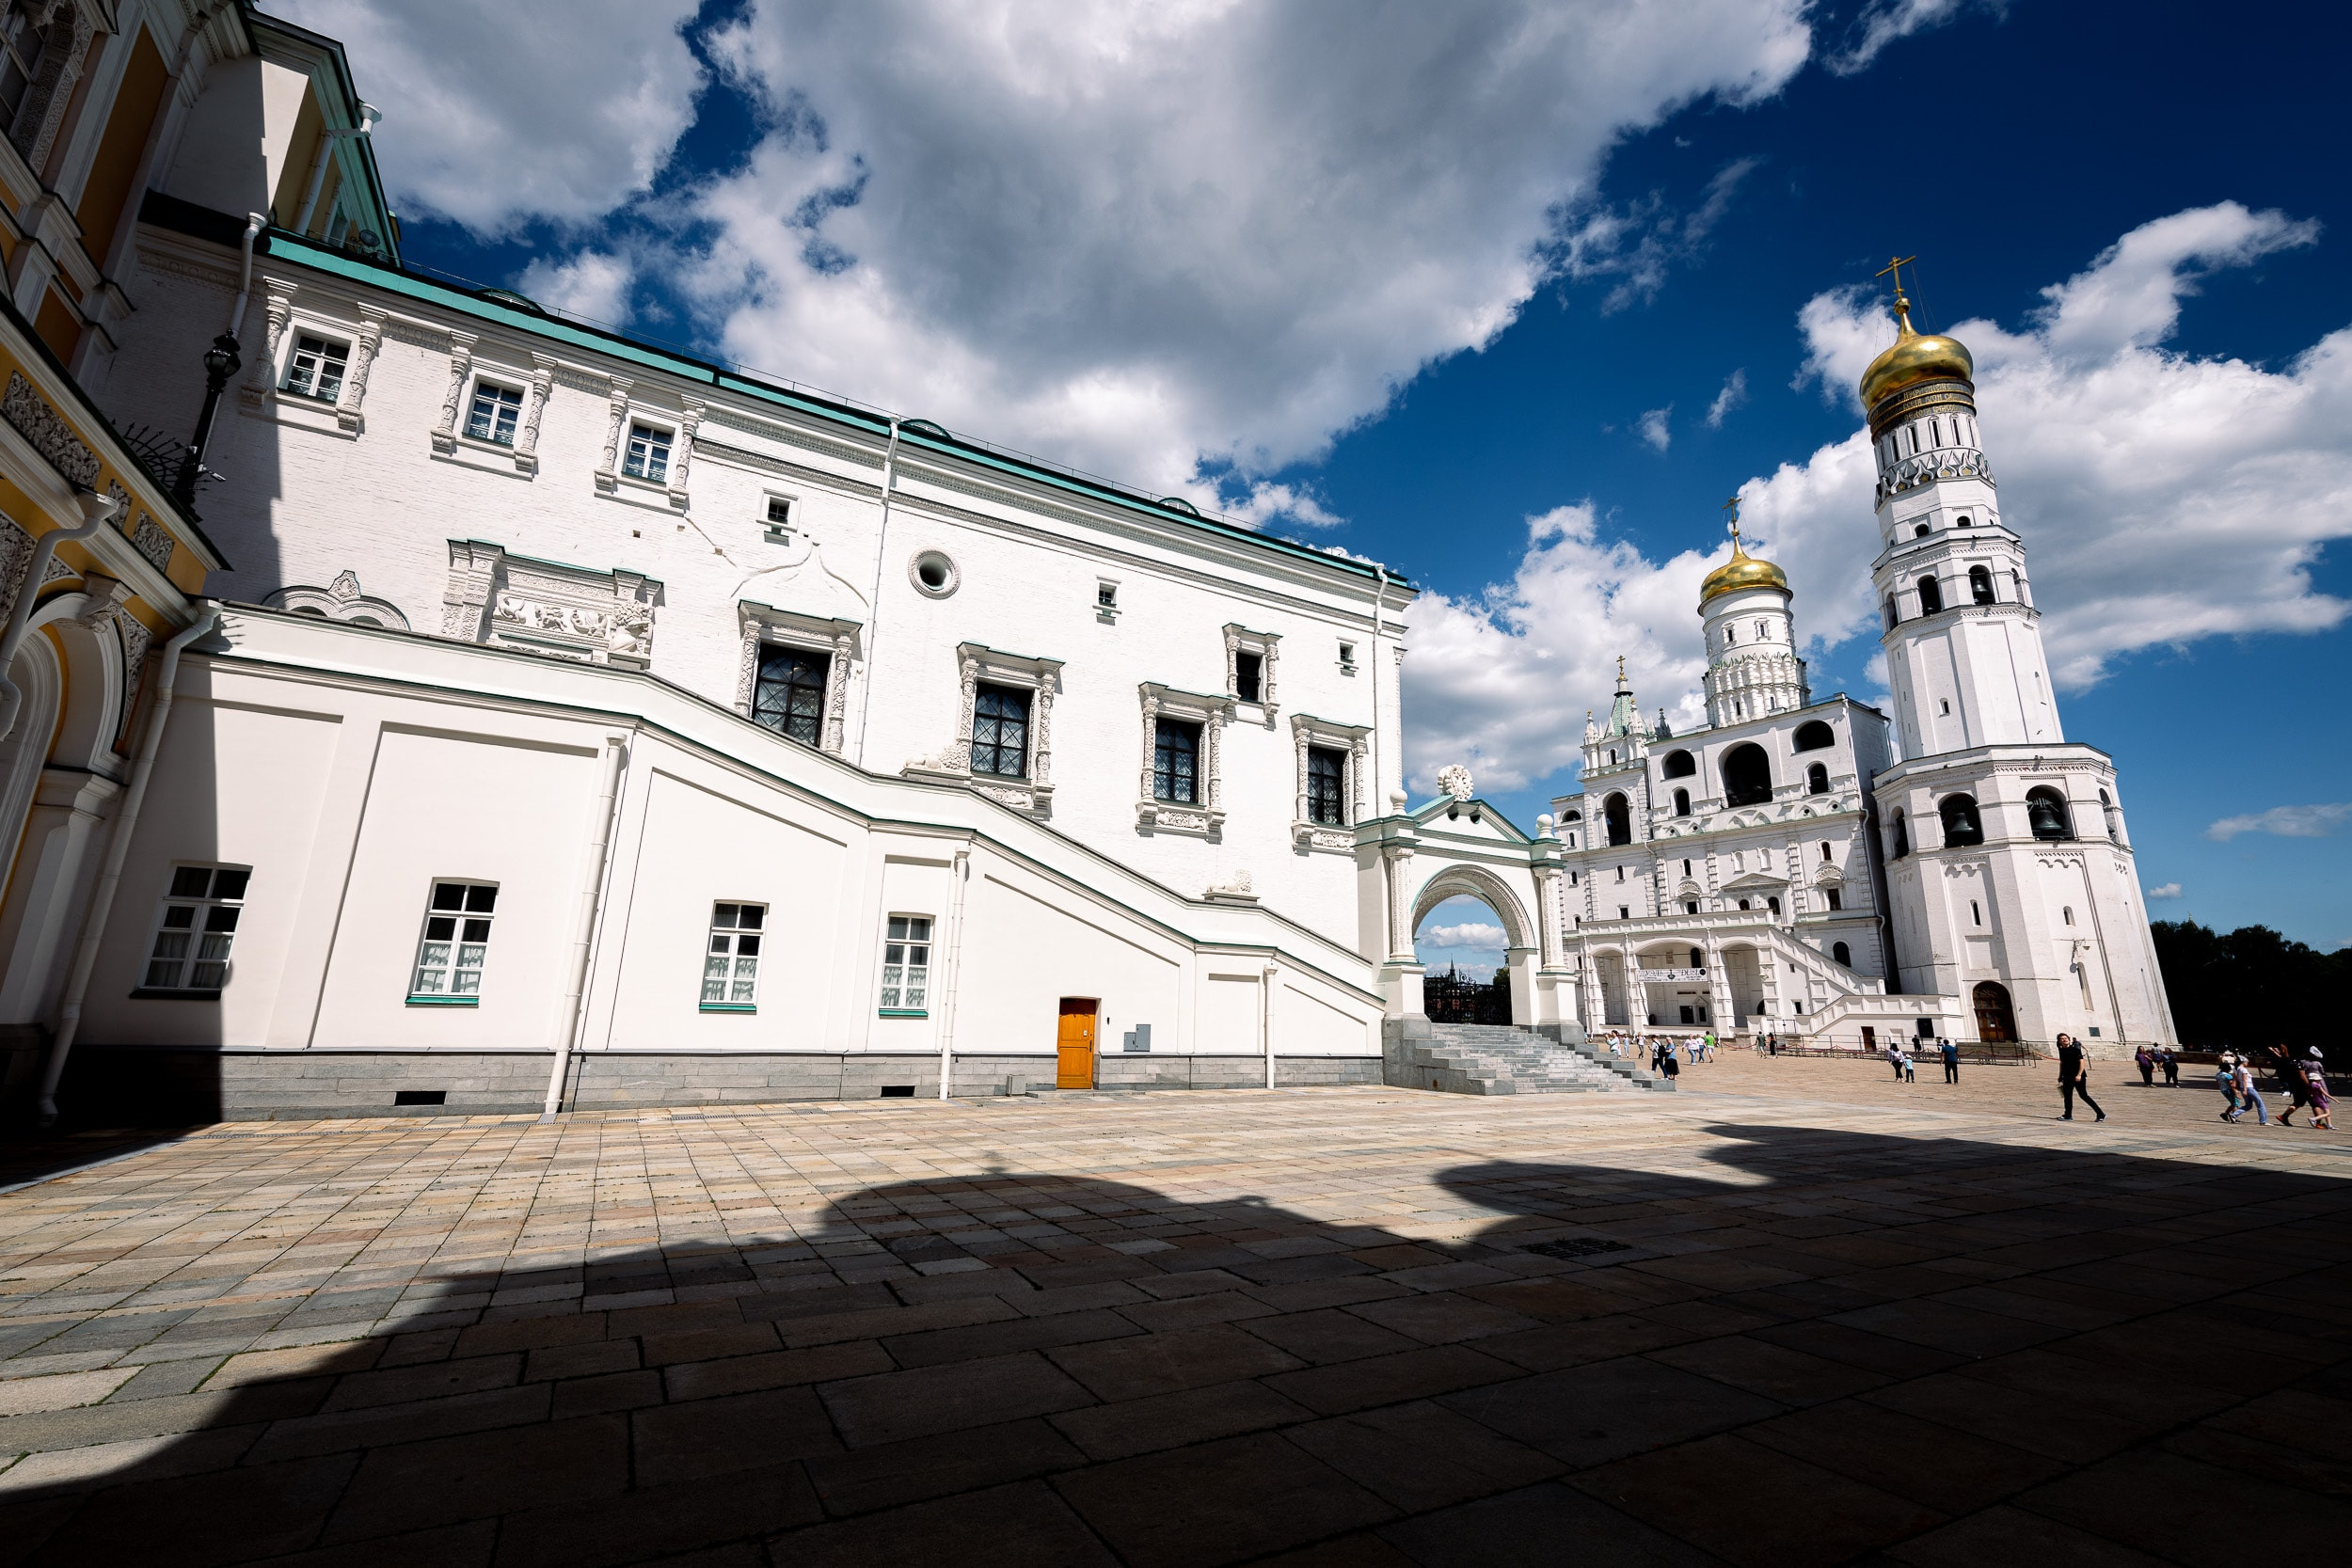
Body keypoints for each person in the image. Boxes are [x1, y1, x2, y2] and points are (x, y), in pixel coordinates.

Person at [2056, 1032, 2104, 1122]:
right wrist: (2060, 1075)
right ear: (2059, 1042)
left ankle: (2100, 1114)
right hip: (2067, 1076)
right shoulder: (2061, 1051)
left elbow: (2082, 1062)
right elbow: (2062, 1063)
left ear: (2069, 1040)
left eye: (2066, 1038)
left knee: (2084, 1095)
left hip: (2078, 1076)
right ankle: (2068, 1115)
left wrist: (2079, 1075)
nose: (2064, 1039)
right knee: (2067, 1096)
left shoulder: (2075, 1050)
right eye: (2062, 1039)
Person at [2231, 1054, 2268, 1126]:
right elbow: (2244, 1080)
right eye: (2247, 1062)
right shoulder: (2243, 1069)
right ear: (2243, 1062)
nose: (2247, 1063)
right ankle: (2263, 1121)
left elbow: (2235, 1079)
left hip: (2242, 1088)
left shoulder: (2236, 1069)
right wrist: (2245, 1090)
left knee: (2248, 1105)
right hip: (2249, 1088)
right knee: (2260, 1105)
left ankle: (2234, 1114)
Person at [2304, 1048, 2332, 1132]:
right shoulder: (2317, 1063)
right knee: (2324, 1099)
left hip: (2310, 1080)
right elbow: (2322, 1070)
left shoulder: (2305, 1063)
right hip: (2318, 1079)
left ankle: (2328, 1123)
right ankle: (2327, 1122)